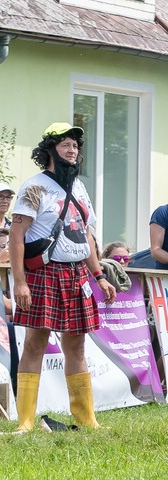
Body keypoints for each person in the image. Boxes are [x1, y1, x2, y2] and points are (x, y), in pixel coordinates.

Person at [8, 122, 116, 432]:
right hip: (43, 272)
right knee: (34, 345)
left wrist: (100, 276)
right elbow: (16, 236)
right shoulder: (34, 186)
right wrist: (20, 281)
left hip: (78, 273)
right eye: (66, 144)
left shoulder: (79, 187)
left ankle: (86, 419)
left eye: (76, 146)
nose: (73, 150)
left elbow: (87, 236)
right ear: (50, 149)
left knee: (77, 347)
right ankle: (26, 421)